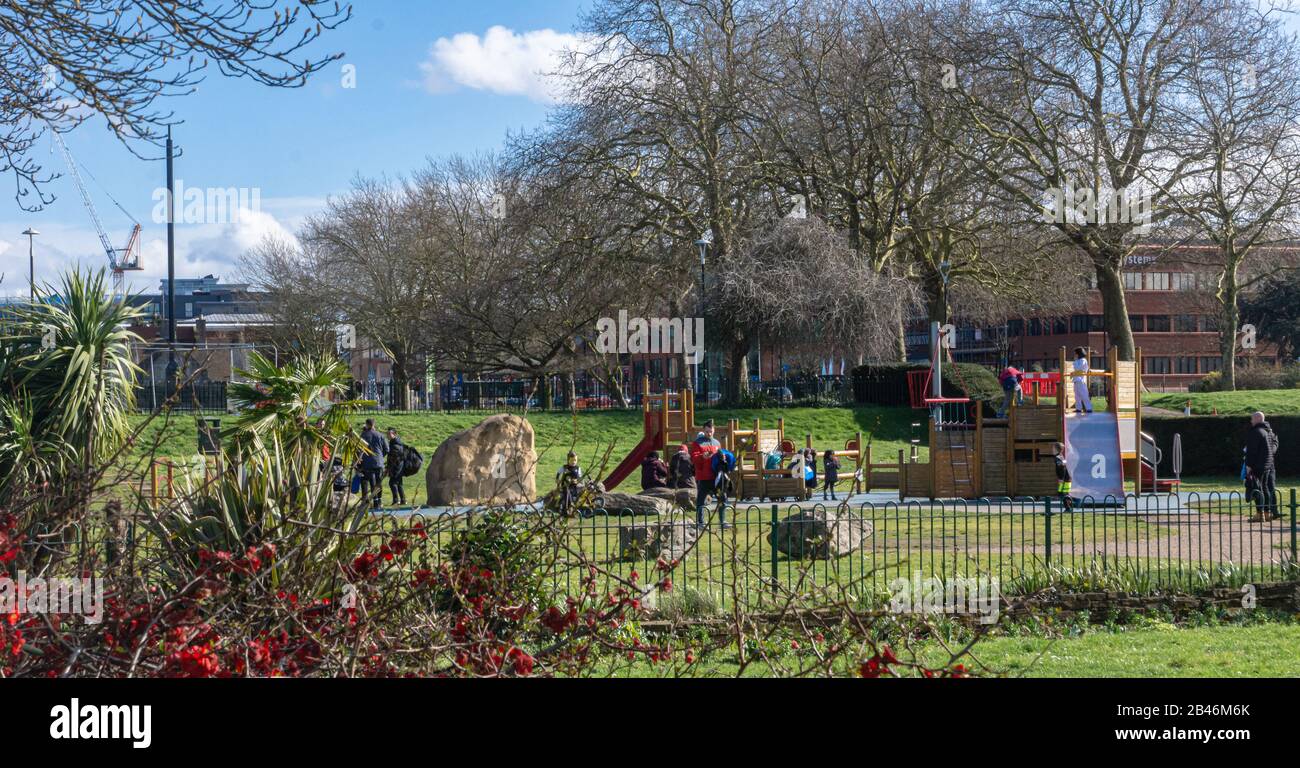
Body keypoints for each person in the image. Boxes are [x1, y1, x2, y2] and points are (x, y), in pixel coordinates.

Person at [1244, 411, 1279, 522]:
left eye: (1252, 419)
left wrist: (1249, 466)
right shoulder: (1268, 432)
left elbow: (1251, 451)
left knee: (1257, 489)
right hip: (1267, 465)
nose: (1251, 421)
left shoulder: (1256, 432)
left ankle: (1260, 514)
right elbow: (1272, 447)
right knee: (1265, 488)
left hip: (1258, 465)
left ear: (1258, 419)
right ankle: (1267, 513)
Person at [689, 424, 722, 528]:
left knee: (722, 498)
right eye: (707, 431)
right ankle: (700, 522)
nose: (709, 433)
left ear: (714, 430)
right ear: (704, 430)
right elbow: (694, 458)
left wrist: (723, 457)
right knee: (701, 500)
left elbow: (720, 456)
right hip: (703, 476)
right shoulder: (697, 443)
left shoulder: (717, 443)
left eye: (711, 431)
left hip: (715, 476)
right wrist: (702, 456)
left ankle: (722, 521)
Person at [357, 418, 388, 509]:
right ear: (374, 424)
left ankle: (371, 501)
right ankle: (379, 501)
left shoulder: (363, 435)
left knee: (371, 482)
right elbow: (387, 449)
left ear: (366, 424)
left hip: (367, 462)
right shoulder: (380, 435)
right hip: (378, 462)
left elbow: (359, 449)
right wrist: (381, 457)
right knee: (378, 482)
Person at [556, 451, 584, 515]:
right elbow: (558, 473)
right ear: (568, 460)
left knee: (570, 493)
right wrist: (557, 479)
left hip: (573, 487)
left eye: (575, 460)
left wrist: (577, 481)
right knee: (567, 491)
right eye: (572, 460)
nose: (573, 462)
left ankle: (569, 508)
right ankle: (568, 506)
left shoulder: (578, 468)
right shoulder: (565, 467)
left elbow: (580, 478)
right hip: (565, 486)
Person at [385, 427, 407, 506]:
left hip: (396, 467)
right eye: (387, 434)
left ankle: (396, 500)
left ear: (394, 434)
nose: (387, 435)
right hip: (398, 466)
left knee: (392, 483)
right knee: (399, 483)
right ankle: (403, 500)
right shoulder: (394, 442)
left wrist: (388, 467)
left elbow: (394, 457)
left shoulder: (395, 444)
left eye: (389, 434)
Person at [1070, 347, 1093, 415]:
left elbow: (1078, 368)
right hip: (1076, 380)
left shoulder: (1083, 360)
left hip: (1081, 380)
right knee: (1077, 395)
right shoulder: (1078, 360)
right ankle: (1078, 408)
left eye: (1075, 353)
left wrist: (1075, 361)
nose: (1074, 355)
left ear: (1078, 353)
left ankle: (1089, 408)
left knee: (1084, 394)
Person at [1052, 442, 1073, 511]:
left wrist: (1061, 479)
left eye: (1053, 448)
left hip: (1064, 479)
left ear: (1056, 449)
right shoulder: (1061, 456)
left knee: (1061, 493)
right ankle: (1069, 506)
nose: (1052, 450)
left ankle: (1068, 508)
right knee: (1065, 493)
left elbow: (1062, 469)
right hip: (1067, 478)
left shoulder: (1057, 458)